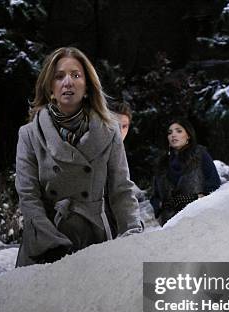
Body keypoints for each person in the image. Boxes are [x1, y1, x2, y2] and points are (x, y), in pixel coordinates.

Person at [15, 47, 142, 267]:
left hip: (94, 239)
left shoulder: (109, 131)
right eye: (59, 76)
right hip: (47, 242)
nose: (68, 82)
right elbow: (28, 196)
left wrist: (132, 232)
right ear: (50, 88)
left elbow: (121, 189)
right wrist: (51, 243)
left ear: (87, 87)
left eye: (76, 75)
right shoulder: (29, 134)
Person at [150, 118, 220, 225]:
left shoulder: (200, 154)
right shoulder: (161, 164)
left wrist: (193, 198)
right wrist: (161, 206)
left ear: (188, 135)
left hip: (198, 219)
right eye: (170, 133)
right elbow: (155, 197)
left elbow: (214, 184)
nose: (173, 135)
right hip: (170, 225)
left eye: (179, 131)